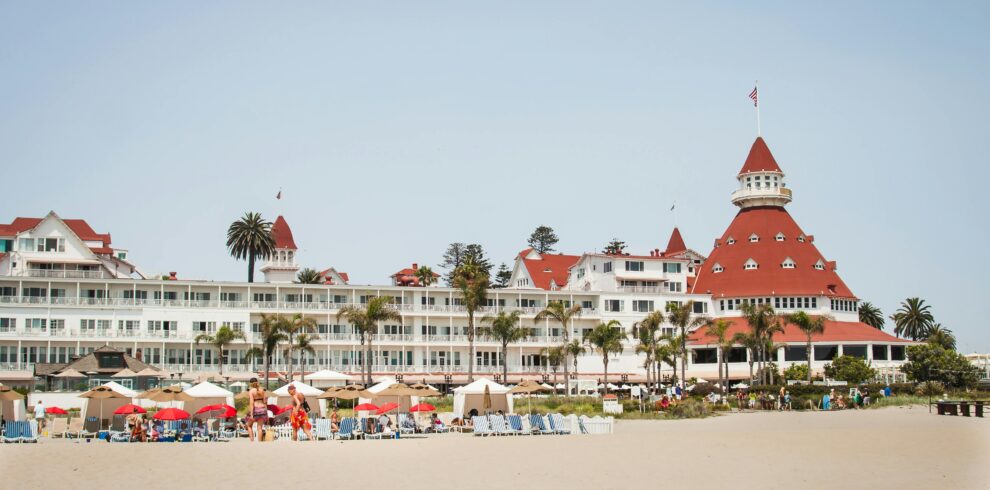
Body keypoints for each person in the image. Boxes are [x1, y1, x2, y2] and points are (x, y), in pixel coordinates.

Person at [247, 378, 268, 442]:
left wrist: (251, 414)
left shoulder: (251, 391)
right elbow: (265, 402)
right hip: (263, 409)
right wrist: (266, 412)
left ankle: (252, 440)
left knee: (249, 426)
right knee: (260, 428)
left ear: (250, 384)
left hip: (255, 409)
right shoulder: (262, 390)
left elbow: (251, 403)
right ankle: (259, 443)